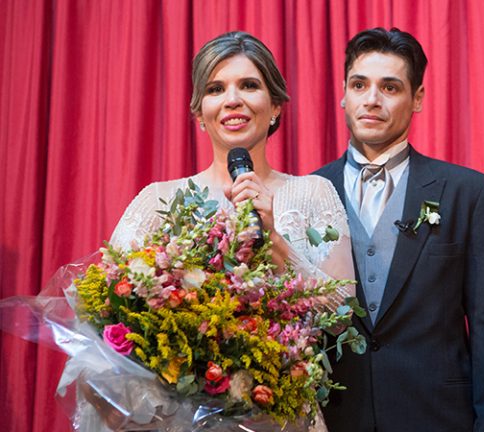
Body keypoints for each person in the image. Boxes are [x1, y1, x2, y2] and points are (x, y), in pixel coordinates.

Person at [86, 31, 354, 432]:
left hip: (280, 419)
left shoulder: (314, 193)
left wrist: (276, 244)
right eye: (215, 89)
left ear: (275, 106)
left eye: (249, 85)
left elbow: (342, 318)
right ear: (199, 113)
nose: (232, 100)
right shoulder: (157, 201)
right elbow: (104, 319)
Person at [314, 27, 484, 431]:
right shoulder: (308, 193)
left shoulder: (468, 192)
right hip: (335, 416)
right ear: (344, 94)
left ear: (418, 98)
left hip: (438, 415)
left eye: (390, 87)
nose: (372, 100)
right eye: (359, 85)